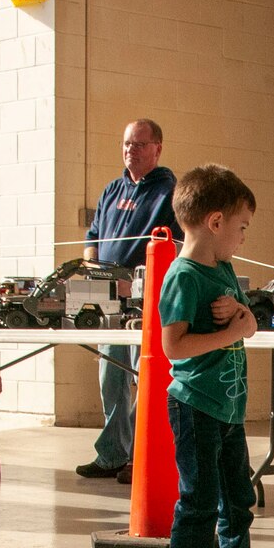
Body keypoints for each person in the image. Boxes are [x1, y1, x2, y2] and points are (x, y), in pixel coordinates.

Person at [159, 164, 260, 548]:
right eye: (241, 227)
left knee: (238, 496)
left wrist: (242, 320)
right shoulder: (184, 276)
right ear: (215, 222)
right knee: (199, 498)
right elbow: (173, 347)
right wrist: (229, 333)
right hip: (195, 404)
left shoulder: (224, 268)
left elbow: (250, 325)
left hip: (229, 407)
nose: (242, 237)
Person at [75, 118, 180, 483]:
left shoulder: (169, 191)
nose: (130, 150)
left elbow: (178, 245)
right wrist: (91, 264)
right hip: (107, 301)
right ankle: (111, 455)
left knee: (145, 378)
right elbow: (93, 234)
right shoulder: (111, 190)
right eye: (125, 144)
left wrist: (139, 282)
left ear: (157, 148)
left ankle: (140, 455)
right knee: (111, 377)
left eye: (138, 144)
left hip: (144, 302)